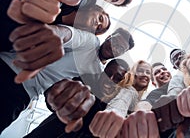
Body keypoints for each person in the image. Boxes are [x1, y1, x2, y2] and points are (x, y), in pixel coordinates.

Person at [0, 25, 134, 133]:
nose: (114, 47)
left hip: (24, 94)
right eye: (115, 41)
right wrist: (55, 32)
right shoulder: (91, 42)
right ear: (109, 37)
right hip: (9, 68)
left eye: (120, 48)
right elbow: (67, 34)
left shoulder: (96, 76)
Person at [25, 58, 138, 138]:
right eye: (108, 74)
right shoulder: (87, 80)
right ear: (103, 71)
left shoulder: (115, 104)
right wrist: (56, 98)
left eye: (117, 78)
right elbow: (61, 94)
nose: (110, 79)